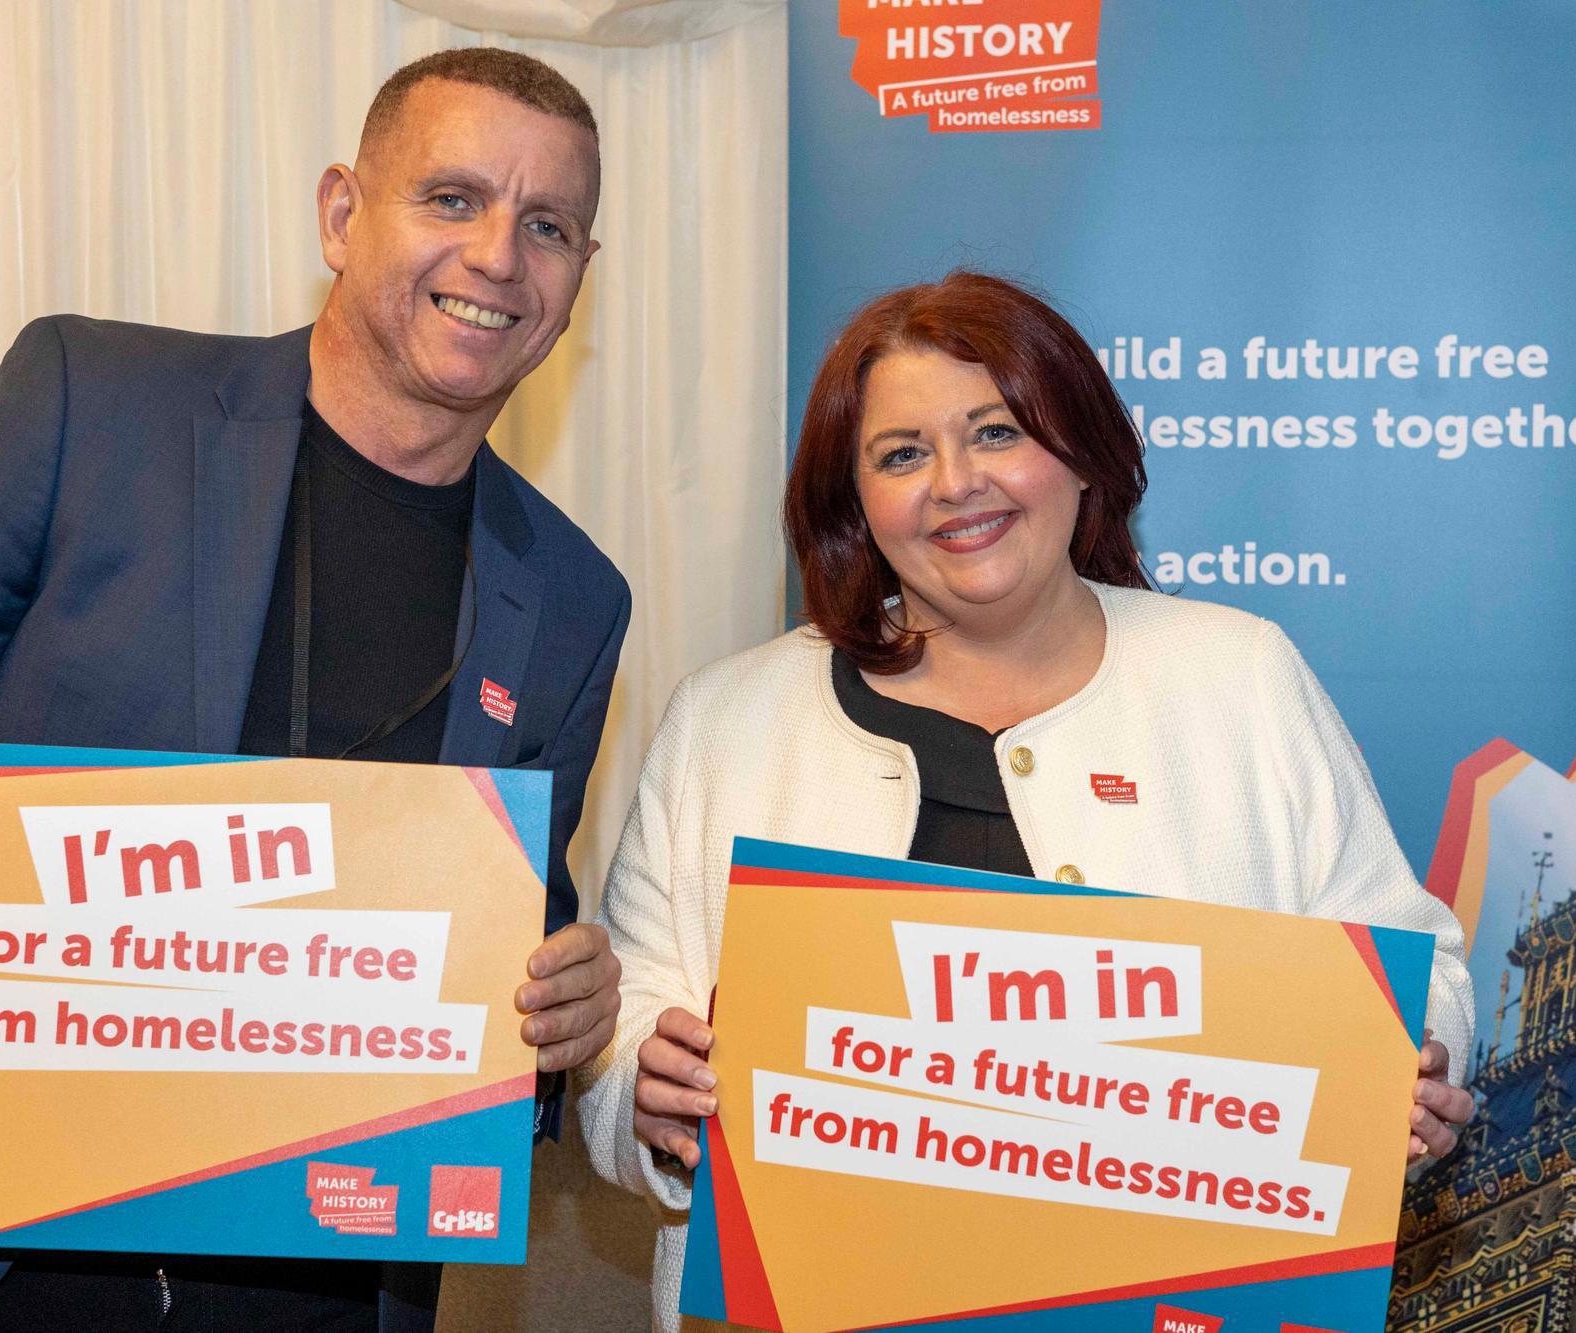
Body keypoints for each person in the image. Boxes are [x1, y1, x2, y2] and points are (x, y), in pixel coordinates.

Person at [0, 47, 627, 1332]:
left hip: (331, 1286)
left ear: (578, 280)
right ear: (342, 213)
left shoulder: (571, 597)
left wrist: (559, 1019)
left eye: (549, 225)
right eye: (451, 199)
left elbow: (506, 947)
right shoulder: (90, 407)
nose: (500, 256)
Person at [578, 271, 1477, 1329]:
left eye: (995, 431)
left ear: (1079, 453)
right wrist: (642, 1088)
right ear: (853, 504)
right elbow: (627, 1015)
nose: (955, 483)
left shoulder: (1239, 675)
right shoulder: (724, 721)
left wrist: (1401, 1065)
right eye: (901, 454)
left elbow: (1410, 964)